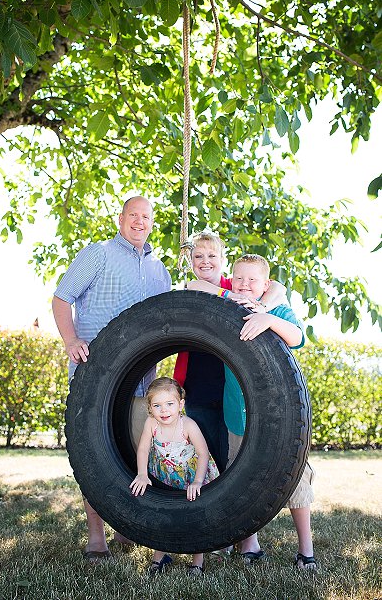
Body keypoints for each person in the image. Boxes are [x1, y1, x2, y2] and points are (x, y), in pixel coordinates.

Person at [52, 195, 171, 560]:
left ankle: (126, 527)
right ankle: (96, 536)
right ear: (121, 219)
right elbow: (61, 298)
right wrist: (71, 339)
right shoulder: (98, 253)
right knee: (94, 453)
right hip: (95, 376)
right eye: (133, 215)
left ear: (152, 223)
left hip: (141, 382)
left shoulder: (159, 270)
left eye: (146, 216)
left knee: (134, 449)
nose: (139, 221)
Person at [216, 254, 315, 570]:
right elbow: (195, 290)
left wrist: (269, 319)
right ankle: (249, 543)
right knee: (239, 475)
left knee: (295, 479)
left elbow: (298, 337)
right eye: (239, 279)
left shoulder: (278, 309)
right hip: (237, 413)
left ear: (266, 285)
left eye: (253, 280)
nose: (245, 285)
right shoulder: (226, 309)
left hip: (279, 416)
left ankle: (306, 550)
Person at [175, 232, 286, 472]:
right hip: (199, 380)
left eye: (212, 255)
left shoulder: (238, 285)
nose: (205, 261)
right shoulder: (208, 291)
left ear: (223, 260)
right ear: (190, 260)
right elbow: (194, 285)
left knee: (232, 450)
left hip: (232, 382)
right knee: (204, 445)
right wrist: (230, 297)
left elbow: (278, 286)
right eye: (198, 256)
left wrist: (262, 306)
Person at [130, 377, 219, 575]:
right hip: (166, 476)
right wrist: (143, 474)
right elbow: (143, 449)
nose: (164, 410)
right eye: (157, 405)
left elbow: (203, 453)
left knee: (195, 517)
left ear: (180, 404)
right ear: (150, 408)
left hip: (191, 476)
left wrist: (197, 481)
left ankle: (197, 561)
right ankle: (159, 558)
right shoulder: (151, 424)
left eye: (170, 404)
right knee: (163, 515)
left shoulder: (188, 425)